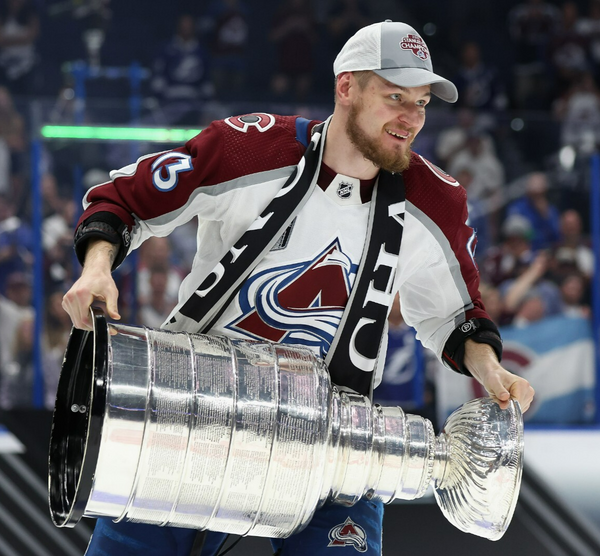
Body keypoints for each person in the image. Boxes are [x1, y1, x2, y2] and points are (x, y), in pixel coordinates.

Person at [62, 21, 534, 556]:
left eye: (422, 103)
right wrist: (96, 268)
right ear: (347, 87)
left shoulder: (436, 200)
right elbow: (124, 200)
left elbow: (456, 315)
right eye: (395, 97)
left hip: (336, 436)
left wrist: (489, 368)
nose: (411, 117)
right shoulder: (249, 148)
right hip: (191, 409)